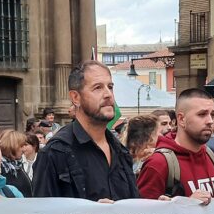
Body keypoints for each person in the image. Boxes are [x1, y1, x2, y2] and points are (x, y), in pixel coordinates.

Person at [32, 61, 139, 201]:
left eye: (110, 87)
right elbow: (42, 212)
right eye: (98, 88)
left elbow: (132, 205)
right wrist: (92, 212)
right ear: (76, 97)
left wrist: (157, 207)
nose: (108, 94)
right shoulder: (55, 153)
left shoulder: (120, 151)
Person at [138, 88, 214, 203]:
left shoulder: (209, 155)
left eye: (212, 114)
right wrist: (187, 204)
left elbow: (211, 199)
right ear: (181, 119)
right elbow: (140, 211)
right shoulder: (159, 163)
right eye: (202, 114)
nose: (210, 121)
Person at [0, 129, 33, 195]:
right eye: (21, 146)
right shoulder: (1, 168)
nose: (24, 149)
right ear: (11, 146)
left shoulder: (17, 165)